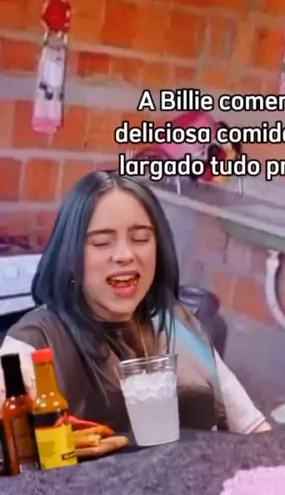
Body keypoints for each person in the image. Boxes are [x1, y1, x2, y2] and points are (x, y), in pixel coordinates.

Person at [0, 171, 270, 435]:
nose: (125, 255)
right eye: (102, 242)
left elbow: (253, 429)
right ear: (70, 257)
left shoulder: (176, 324)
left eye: (140, 239)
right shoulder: (33, 341)